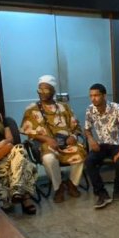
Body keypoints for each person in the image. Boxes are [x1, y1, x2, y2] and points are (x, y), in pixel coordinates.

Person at [20, 75, 86, 203]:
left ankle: (72, 184)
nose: (42, 93)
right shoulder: (31, 109)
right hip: (46, 145)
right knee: (49, 159)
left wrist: (73, 136)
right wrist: (46, 139)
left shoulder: (64, 107)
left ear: (53, 91)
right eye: (40, 90)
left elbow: (76, 127)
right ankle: (59, 187)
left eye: (46, 90)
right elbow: (28, 132)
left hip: (66, 143)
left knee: (80, 154)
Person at [83, 83, 119, 209]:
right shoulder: (90, 109)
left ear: (104, 95)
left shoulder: (116, 107)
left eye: (96, 95)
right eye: (91, 96)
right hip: (100, 145)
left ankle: (117, 187)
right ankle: (101, 193)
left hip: (116, 143)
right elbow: (87, 129)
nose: (93, 98)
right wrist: (91, 139)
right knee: (89, 161)